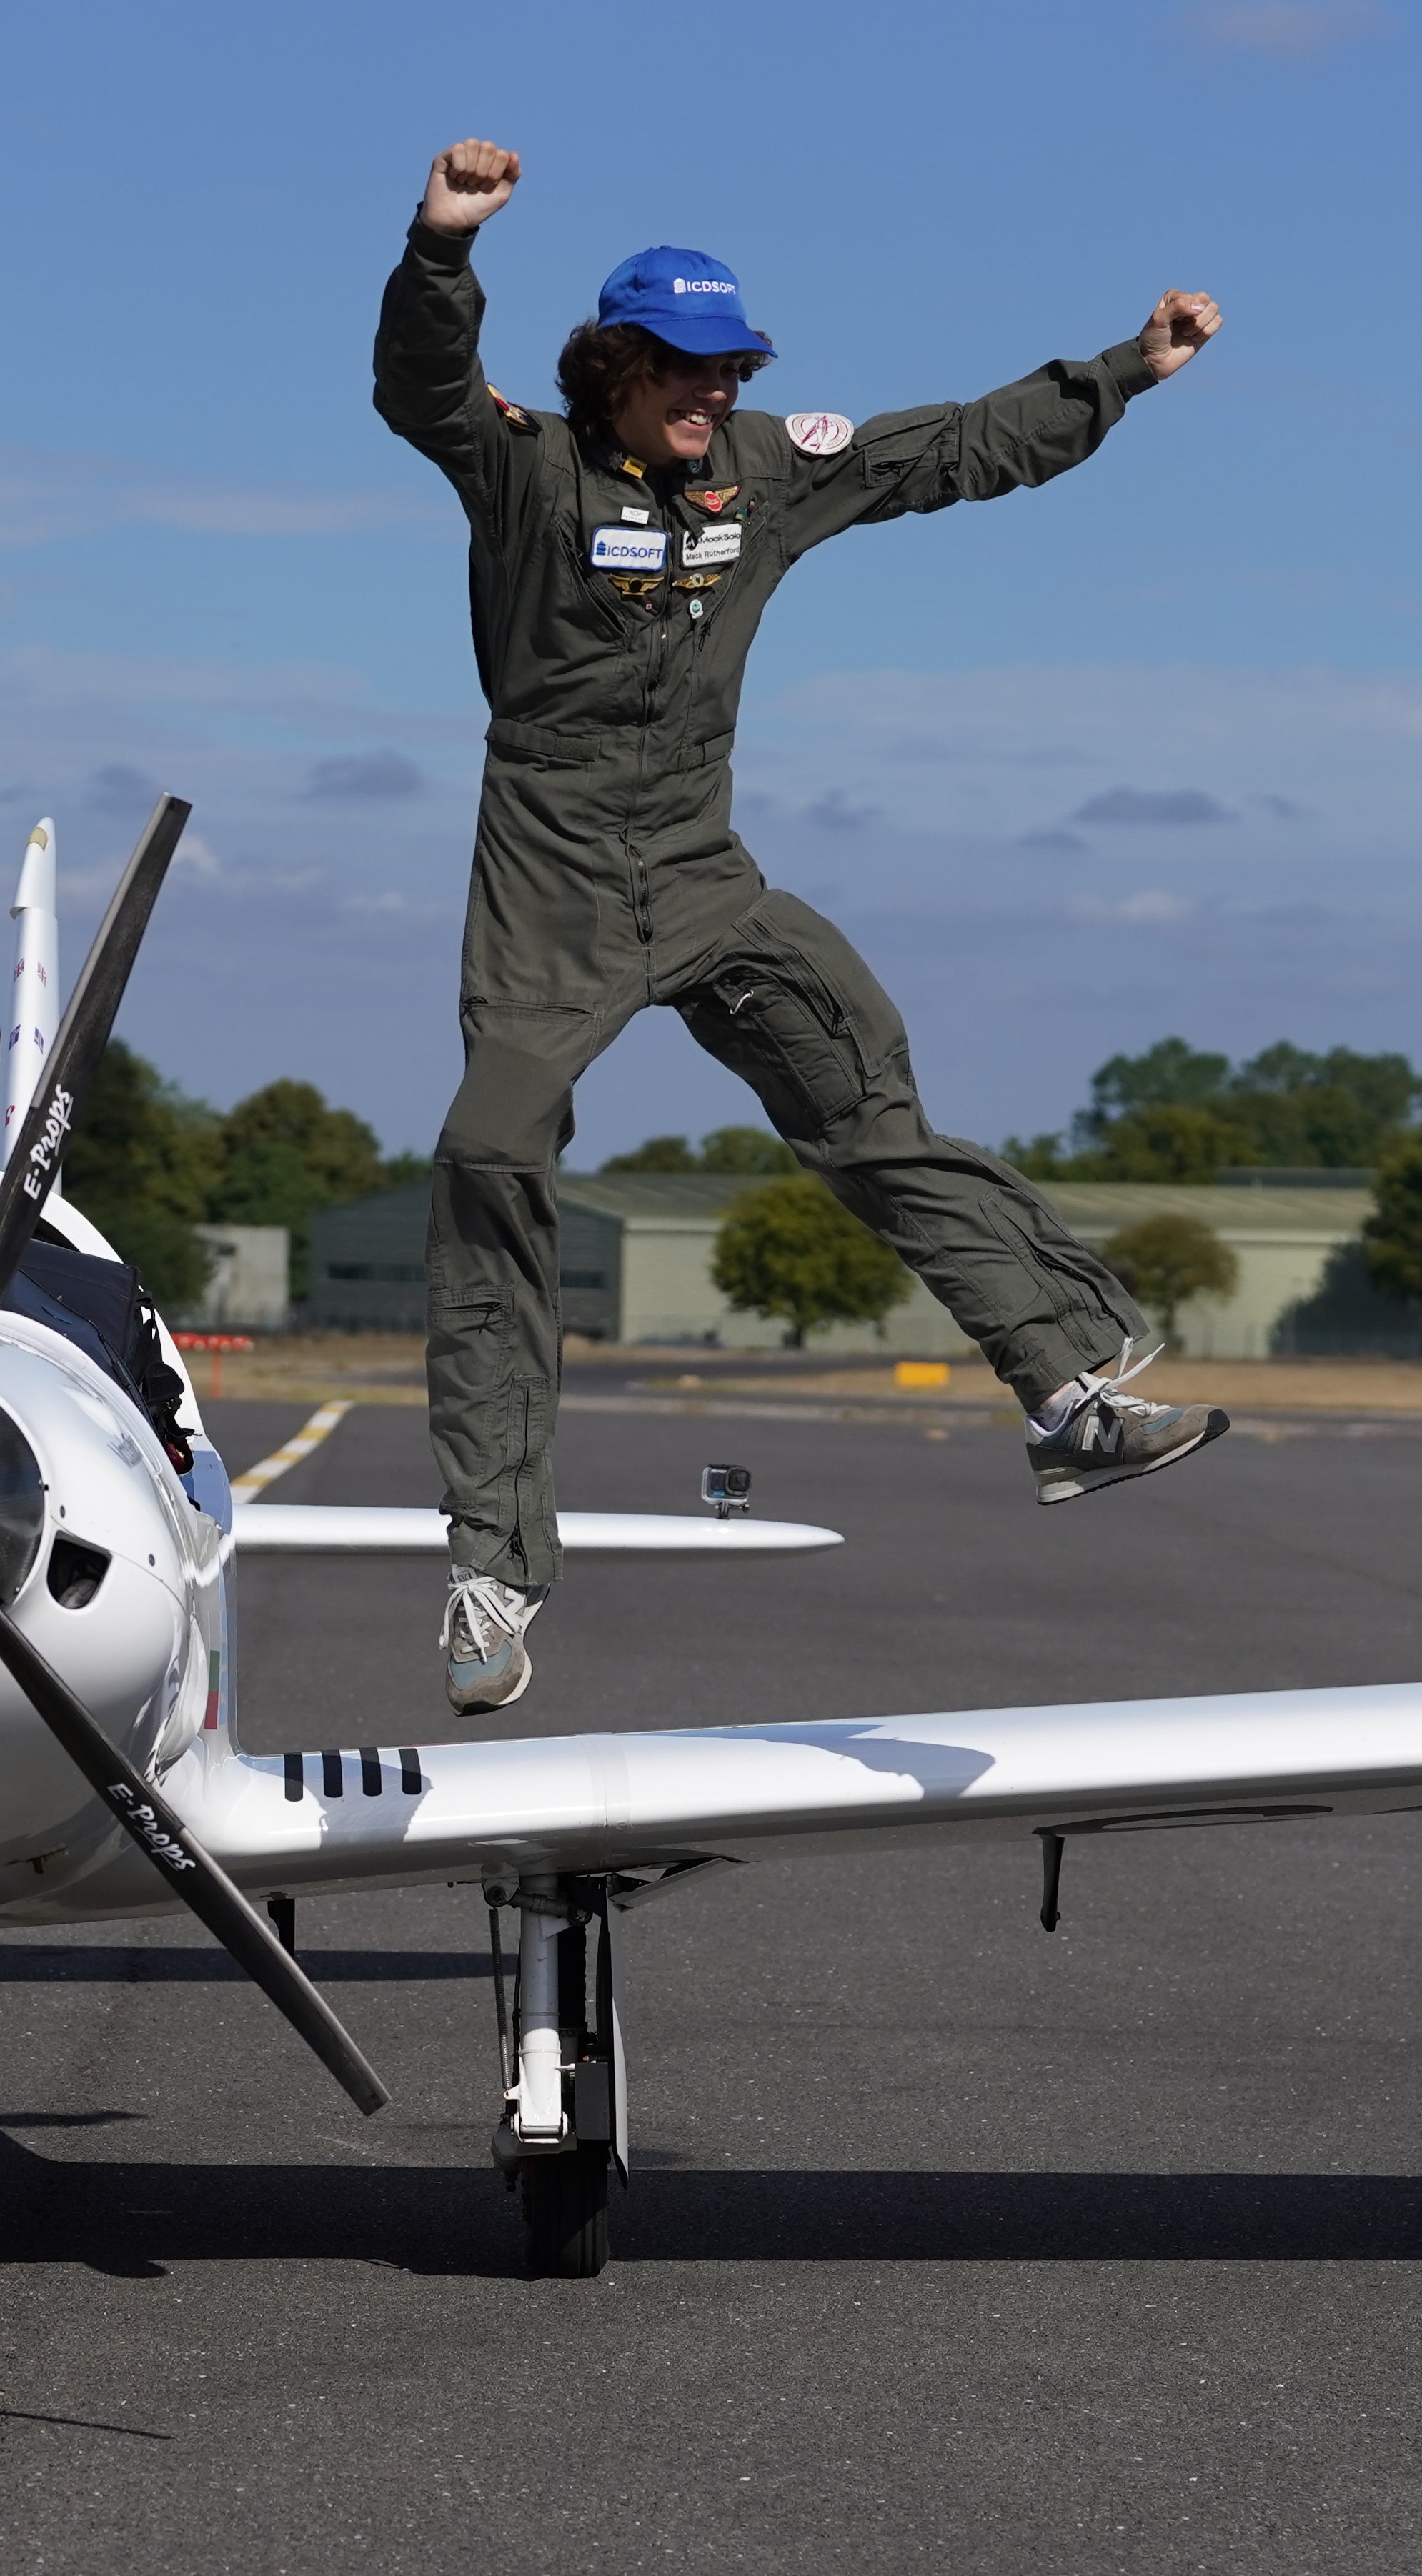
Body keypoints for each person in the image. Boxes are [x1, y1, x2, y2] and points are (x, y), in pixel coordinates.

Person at [377, 136, 1233, 1712]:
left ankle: (1062, 1393)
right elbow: (425, 388)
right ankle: (492, 1570)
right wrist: (444, 245)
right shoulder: (527, 468)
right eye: (691, 373)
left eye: (735, 371)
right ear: (615, 370)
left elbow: (950, 448)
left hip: (705, 876)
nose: (716, 395)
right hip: (551, 891)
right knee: (488, 1160)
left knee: (868, 1102)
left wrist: (1128, 370)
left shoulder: (764, 468)